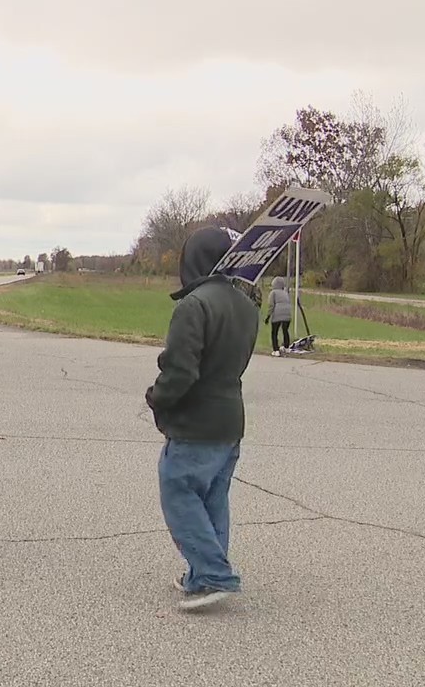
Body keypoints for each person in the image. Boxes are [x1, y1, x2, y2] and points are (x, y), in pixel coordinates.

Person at [145, 226, 259, 610]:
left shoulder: (193, 306)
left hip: (197, 423)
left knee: (178, 491)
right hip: (231, 421)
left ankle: (214, 575)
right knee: (213, 498)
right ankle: (202, 575)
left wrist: (157, 398)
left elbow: (181, 371)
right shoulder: (246, 304)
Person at [266, 276, 292, 356]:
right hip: (287, 314)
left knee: (274, 332)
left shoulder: (273, 293)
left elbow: (271, 305)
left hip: (277, 313)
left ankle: (276, 350)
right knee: (285, 330)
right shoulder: (285, 293)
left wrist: (268, 316)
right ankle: (286, 347)